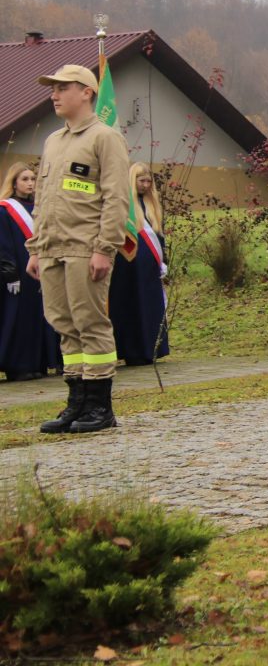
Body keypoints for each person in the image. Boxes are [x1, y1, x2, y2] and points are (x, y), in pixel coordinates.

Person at [26, 64, 130, 434]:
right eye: (52, 88)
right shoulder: (53, 141)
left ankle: (100, 406)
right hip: (52, 248)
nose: (54, 94)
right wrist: (35, 248)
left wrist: (105, 248)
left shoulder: (104, 138)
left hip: (86, 248)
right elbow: (42, 198)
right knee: (64, 325)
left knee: (90, 324)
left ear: (86, 92)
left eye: (62, 87)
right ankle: (77, 402)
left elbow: (117, 197)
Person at [0, 163, 60, 381]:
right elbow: (3, 245)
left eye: (33, 179)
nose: (30, 183)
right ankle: (18, 365)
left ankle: (39, 362)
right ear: (14, 182)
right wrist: (10, 274)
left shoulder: (38, 208)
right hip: (17, 275)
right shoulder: (5, 209)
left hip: (41, 272)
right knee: (19, 320)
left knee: (40, 318)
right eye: (25, 179)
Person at [109, 162, 170, 366]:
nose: (145, 185)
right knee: (130, 307)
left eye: (148, 181)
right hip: (127, 266)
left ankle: (151, 348)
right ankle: (131, 350)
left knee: (150, 307)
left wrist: (164, 261)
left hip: (150, 268)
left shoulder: (153, 206)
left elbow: (159, 236)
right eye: (141, 180)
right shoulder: (123, 205)